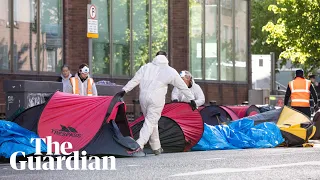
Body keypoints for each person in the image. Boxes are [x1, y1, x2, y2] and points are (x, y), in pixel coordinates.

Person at [118, 51, 197, 155]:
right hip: (157, 99)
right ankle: (138, 145)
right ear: (166, 57)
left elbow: (135, 80)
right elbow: (182, 86)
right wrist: (191, 99)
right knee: (150, 122)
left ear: (156, 57)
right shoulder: (170, 71)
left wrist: (124, 90)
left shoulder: (146, 67)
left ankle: (156, 147)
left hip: (143, 97)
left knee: (151, 121)